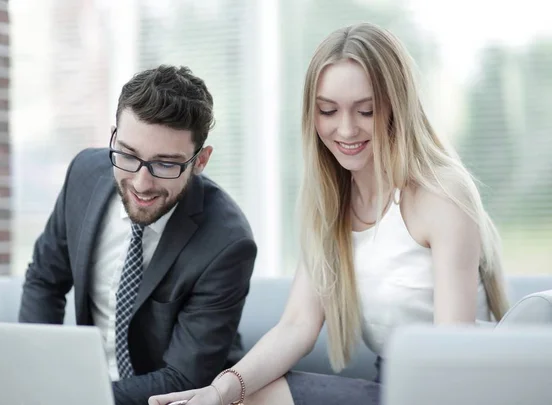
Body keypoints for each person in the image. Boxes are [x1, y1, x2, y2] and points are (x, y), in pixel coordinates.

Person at [148, 22, 509, 405]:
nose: (347, 129)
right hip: (390, 386)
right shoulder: (330, 204)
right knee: (248, 396)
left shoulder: (441, 194)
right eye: (328, 110)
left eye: (366, 110)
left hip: (454, 390)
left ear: (396, 107)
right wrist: (220, 390)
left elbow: (453, 352)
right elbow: (297, 326)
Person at [18, 65, 258, 405]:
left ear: (201, 160)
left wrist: (73, 395)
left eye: (165, 164)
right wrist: (36, 371)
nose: (142, 184)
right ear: (114, 137)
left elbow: (183, 378)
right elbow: (44, 279)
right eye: (128, 155)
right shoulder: (84, 176)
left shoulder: (227, 242)